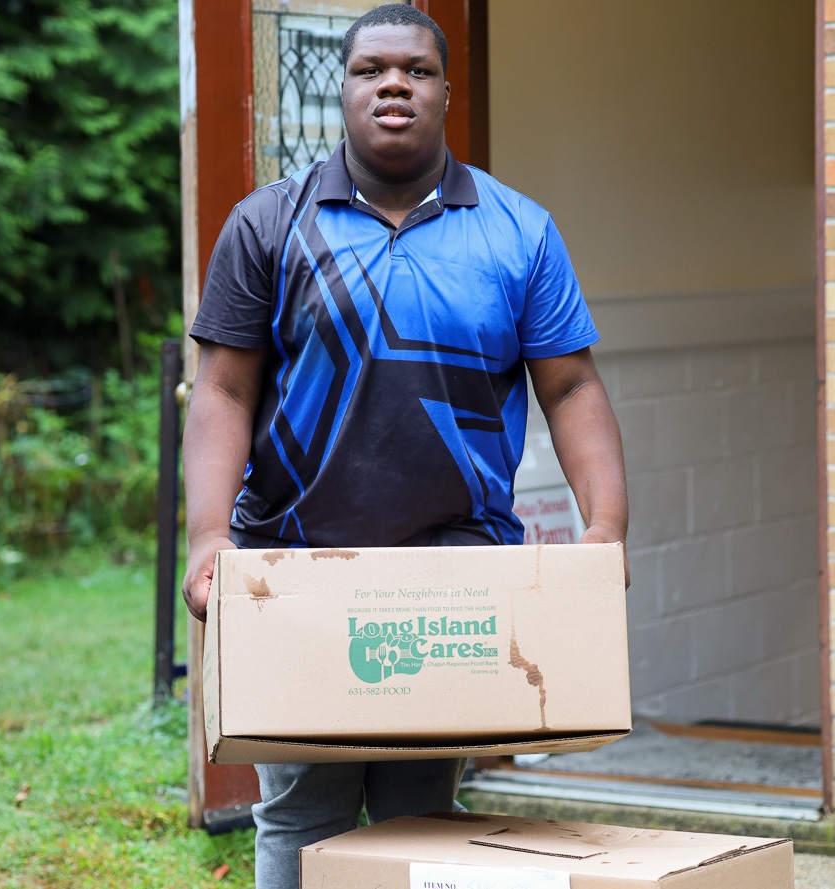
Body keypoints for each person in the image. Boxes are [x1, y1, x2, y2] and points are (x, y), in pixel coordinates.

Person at [180, 5, 629, 888]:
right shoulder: (269, 224)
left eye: (417, 70)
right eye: (372, 69)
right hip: (295, 567)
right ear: (343, 91)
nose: (394, 83)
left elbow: (571, 386)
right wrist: (208, 537)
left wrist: (605, 524)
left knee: (420, 820)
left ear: (446, 92)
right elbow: (225, 390)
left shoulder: (519, 230)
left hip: (451, 574)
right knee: (301, 812)